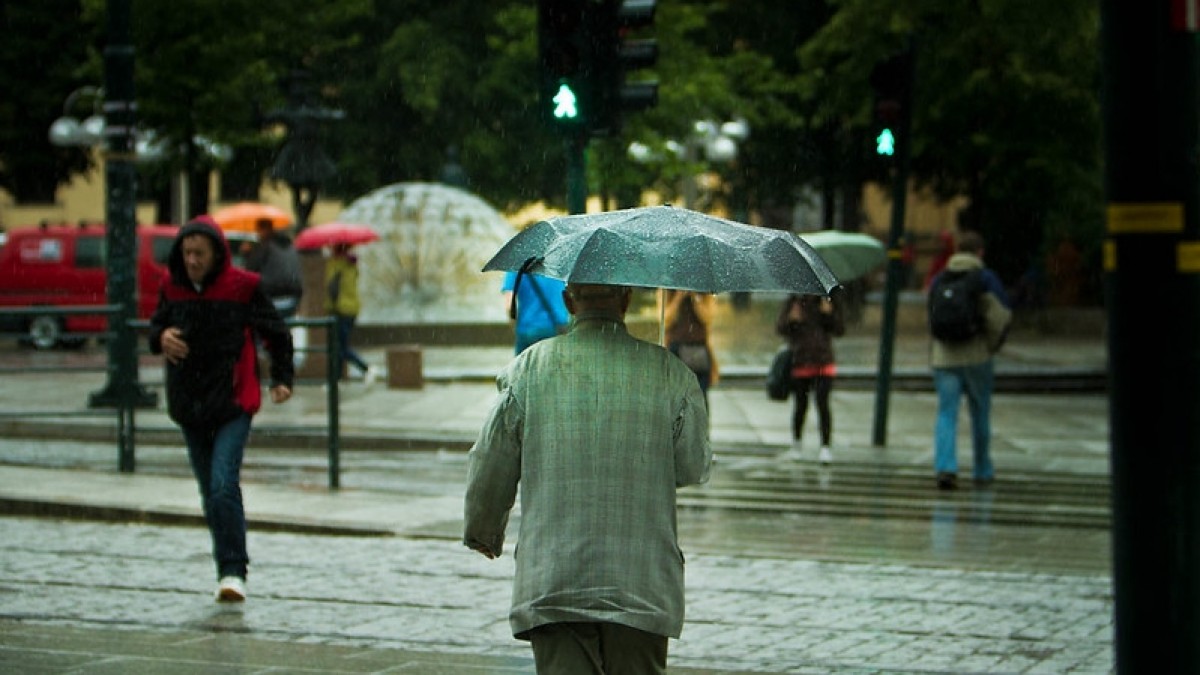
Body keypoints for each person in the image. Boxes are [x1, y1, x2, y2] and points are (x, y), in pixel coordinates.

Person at [464, 283, 712, 675]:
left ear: (568, 301)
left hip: (556, 578)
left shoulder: (529, 369)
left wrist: (484, 530)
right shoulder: (669, 373)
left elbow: (491, 460)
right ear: (627, 300)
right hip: (640, 583)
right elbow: (691, 467)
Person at [147, 216, 294, 602]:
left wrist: (282, 378)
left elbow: (277, 333)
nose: (192, 260)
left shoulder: (243, 287)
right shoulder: (171, 286)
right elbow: (155, 325)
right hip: (189, 404)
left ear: (216, 254)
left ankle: (233, 571)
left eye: (200, 253)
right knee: (209, 491)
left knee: (222, 484)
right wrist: (161, 337)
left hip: (233, 401)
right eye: (187, 252)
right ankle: (224, 567)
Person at [928, 231, 1012, 490]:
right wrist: (990, 344)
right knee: (980, 413)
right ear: (980, 252)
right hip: (977, 355)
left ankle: (945, 467)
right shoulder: (985, 279)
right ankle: (982, 468)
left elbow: (932, 316)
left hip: (944, 357)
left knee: (946, 413)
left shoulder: (940, 279)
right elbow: (1001, 316)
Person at [776, 293, 844, 464]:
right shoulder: (794, 301)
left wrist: (828, 314)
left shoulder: (827, 299)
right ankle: (797, 443)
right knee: (800, 405)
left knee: (823, 404)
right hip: (801, 361)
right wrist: (792, 320)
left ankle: (825, 447)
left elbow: (839, 329)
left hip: (823, 362)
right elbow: (781, 328)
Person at [325, 243, 377, 385]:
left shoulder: (336, 265)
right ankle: (336, 380)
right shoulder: (351, 264)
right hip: (351, 309)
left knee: (340, 347)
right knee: (340, 346)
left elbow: (332, 288)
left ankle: (366, 368)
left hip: (340, 309)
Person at [663, 290, 719, 404]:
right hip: (676, 348)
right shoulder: (667, 290)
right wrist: (678, 297)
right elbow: (665, 320)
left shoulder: (704, 291)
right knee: (675, 398)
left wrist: (695, 297)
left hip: (698, 349)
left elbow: (707, 318)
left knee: (700, 397)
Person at [242, 217, 303, 318]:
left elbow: (250, 270)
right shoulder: (289, 245)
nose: (258, 234)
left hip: (272, 296)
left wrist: (247, 254)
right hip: (294, 297)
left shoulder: (265, 247)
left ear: (265, 229)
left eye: (258, 230)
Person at [501, 270, 568, 354]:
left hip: (528, 329)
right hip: (557, 329)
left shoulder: (516, 266)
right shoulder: (560, 263)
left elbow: (509, 305)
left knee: (524, 366)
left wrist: (514, 326)